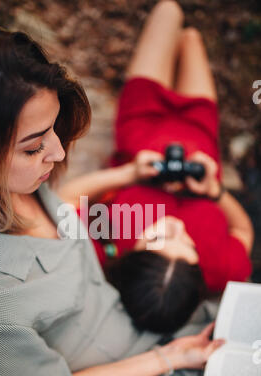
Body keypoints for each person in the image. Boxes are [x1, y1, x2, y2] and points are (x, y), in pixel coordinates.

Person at [0, 2, 260, 376]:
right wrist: (168, 358)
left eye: (53, 132)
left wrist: (127, 175)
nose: (60, 154)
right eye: (33, 147)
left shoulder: (18, 186)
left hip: (150, 329)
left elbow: (62, 207)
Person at [59, 1, 254, 335]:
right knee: (192, 38)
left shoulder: (109, 240)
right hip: (201, 133)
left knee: (169, 10)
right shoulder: (219, 271)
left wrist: (129, 174)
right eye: (189, 244)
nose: (177, 225)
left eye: (159, 235)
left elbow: (64, 201)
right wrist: (215, 192)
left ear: (128, 259)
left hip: (142, 126)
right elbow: (243, 232)